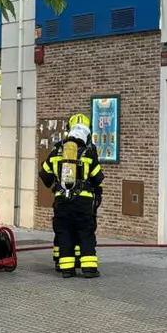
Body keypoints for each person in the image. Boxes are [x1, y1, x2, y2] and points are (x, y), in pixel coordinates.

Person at [39, 113, 104, 278]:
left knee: (65, 232)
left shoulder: (56, 152)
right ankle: (89, 268)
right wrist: (97, 196)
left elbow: (44, 176)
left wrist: (56, 181)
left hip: (62, 200)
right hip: (83, 202)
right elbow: (98, 179)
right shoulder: (89, 154)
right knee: (85, 232)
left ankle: (67, 269)